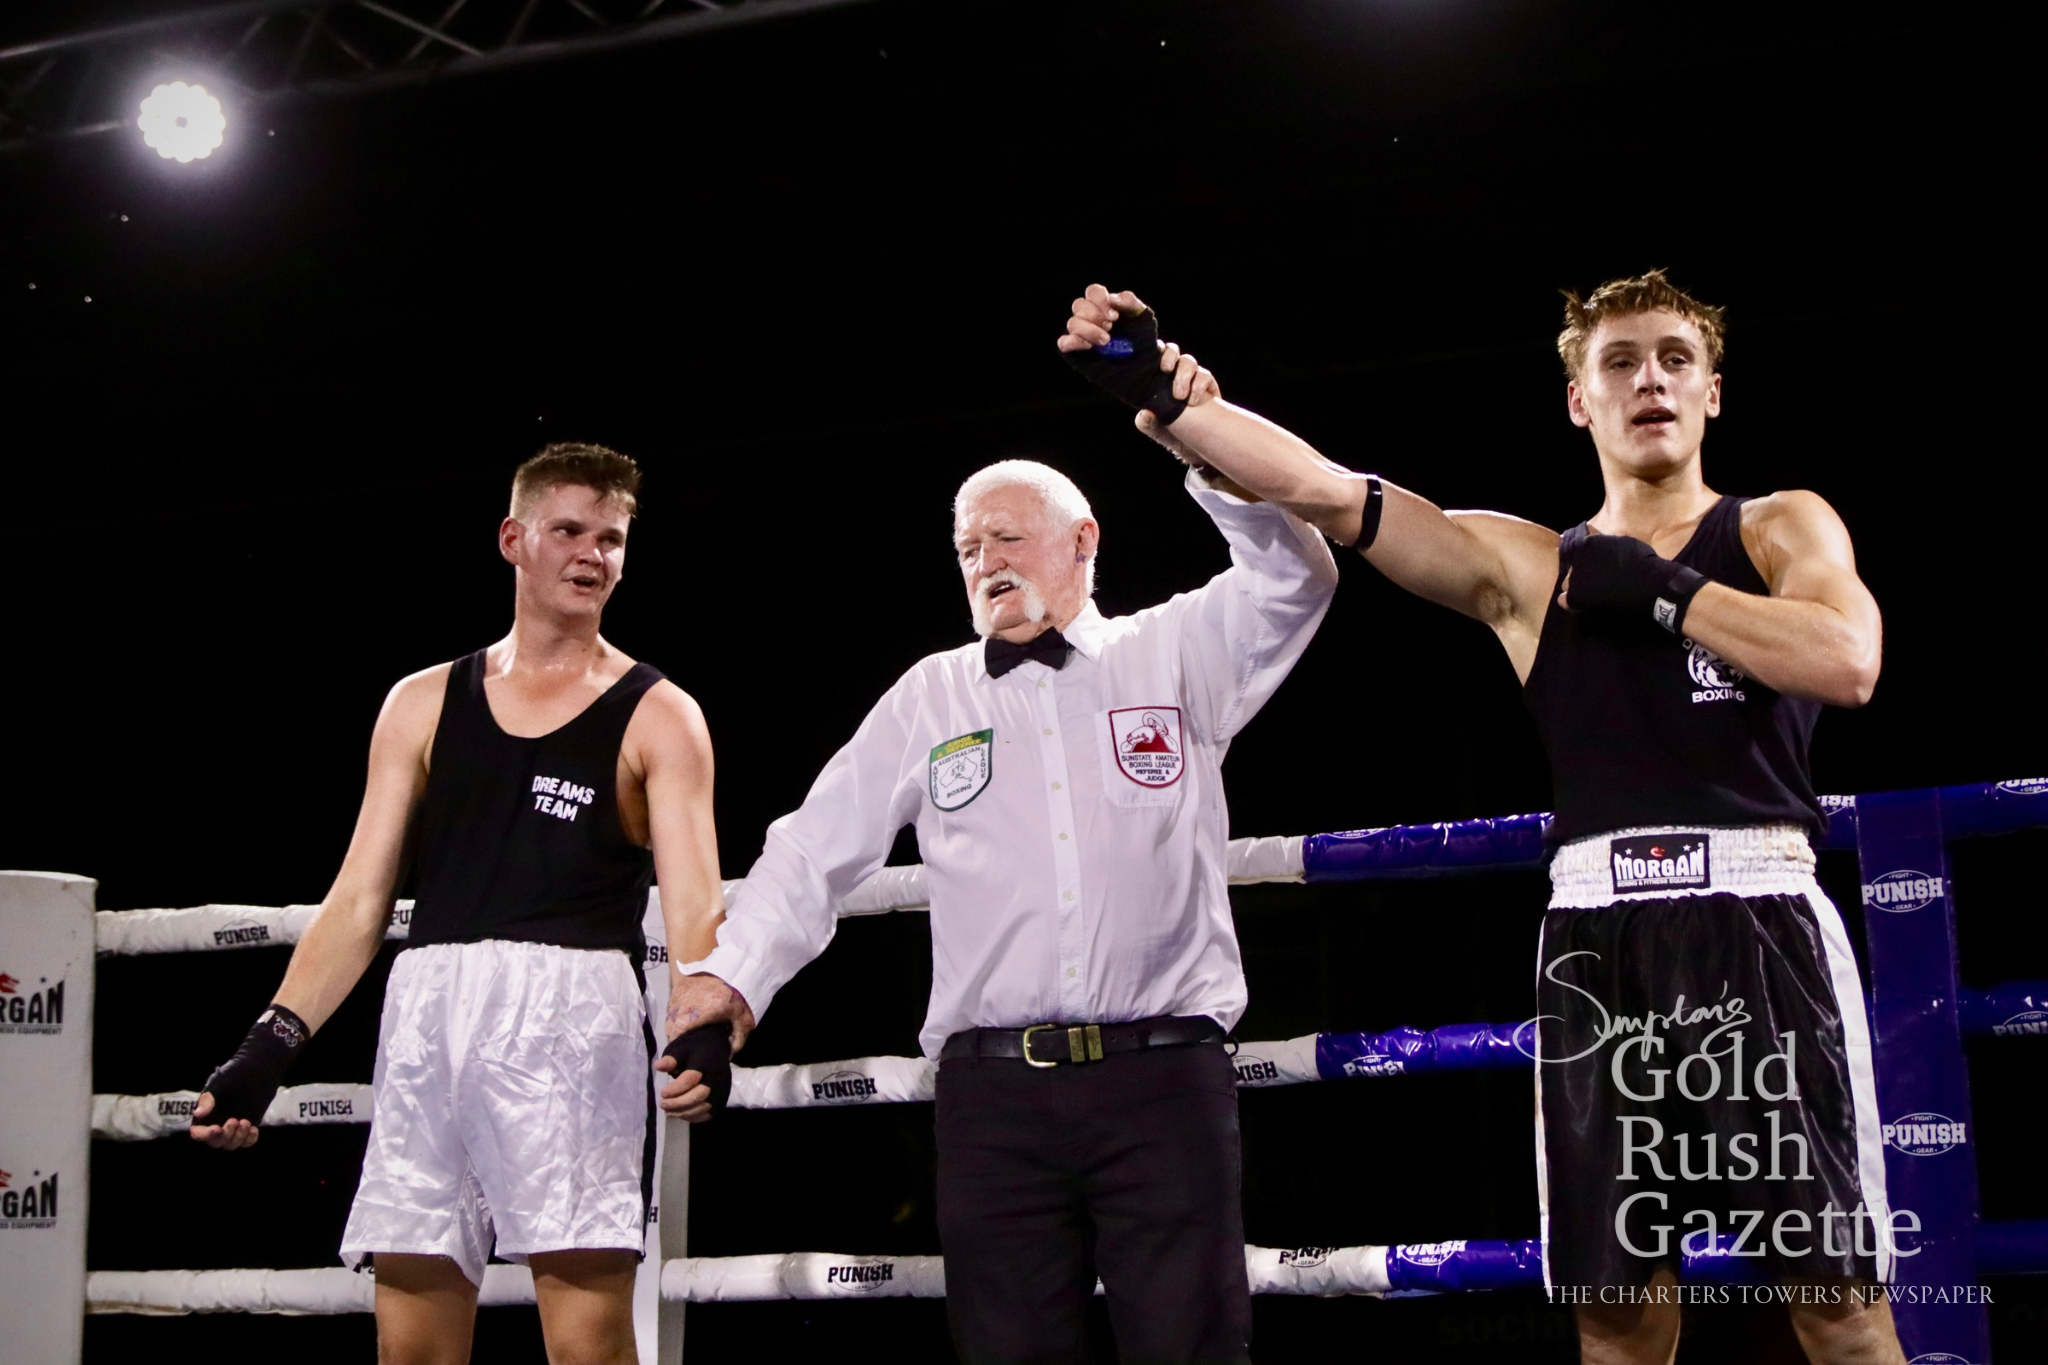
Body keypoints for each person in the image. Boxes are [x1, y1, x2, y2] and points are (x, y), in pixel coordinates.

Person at [1058, 275, 1904, 1365]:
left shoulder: (1776, 526)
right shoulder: (1524, 568)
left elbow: (1846, 662)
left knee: (1835, 1304)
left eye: (1672, 359)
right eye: (1617, 362)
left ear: (1710, 393)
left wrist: (1657, 589)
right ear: (1576, 402)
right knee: (1616, 1313)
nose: (1647, 378)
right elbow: (1329, 494)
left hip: (1758, 921)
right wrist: (1172, 401)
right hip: (1599, 945)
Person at [670, 457, 1336, 1363]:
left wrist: (1206, 450)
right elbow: (813, 849)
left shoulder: (1174, 650)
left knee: (1194, 1349)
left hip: (1163, 1082)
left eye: (1009, 537)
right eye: (968, 546)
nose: (988, 561)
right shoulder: (931, 695)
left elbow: (1299, 576)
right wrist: (728, 990)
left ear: (1083, 541)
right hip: (995, 1102)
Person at [190, 443, 736, 1365]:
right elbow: (361, 897)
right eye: (568, 530)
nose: (591, 555)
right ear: (513, 539)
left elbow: (695, 908)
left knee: (590, 1339)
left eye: (611, 537)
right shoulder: (420, 702)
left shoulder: (659, 712)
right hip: (427, 1017)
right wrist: (267, 1045)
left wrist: (707, 1023)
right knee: (410, 1342)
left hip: (574, 1020)